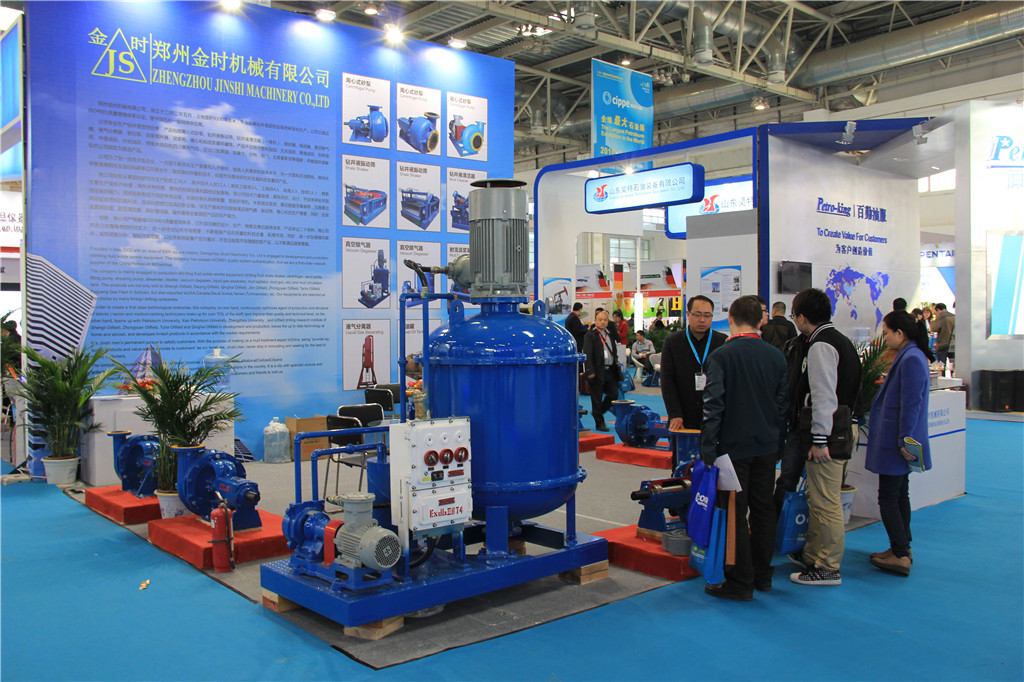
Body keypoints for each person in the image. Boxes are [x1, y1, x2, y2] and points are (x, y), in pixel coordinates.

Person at [700, 295, 789, 600]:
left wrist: (707, 450)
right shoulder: (776, 356)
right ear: (760, 320)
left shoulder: (721, 356)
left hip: (732, 449)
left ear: (730, 318)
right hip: (766, 445)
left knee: (735, 512)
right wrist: (778, 443)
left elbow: (713, 407)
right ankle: (763, 575)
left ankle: (740, 581)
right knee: (763, 509)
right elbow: (782, 406)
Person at [782, 288, 862, 587]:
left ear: (802, 317)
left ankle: (828, 566)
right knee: (818, 498)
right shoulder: (840, 341)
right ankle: (814, 554)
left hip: (829, 434)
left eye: (794, 315)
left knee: (826, 501)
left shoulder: (821, 346)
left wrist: (819, 440)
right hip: (839, 429)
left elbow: (823, 397)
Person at [865, 310, 935, 577]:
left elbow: (911, 403)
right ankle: (901, 547)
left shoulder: (911, 359)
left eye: (885, 333)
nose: (883, 339)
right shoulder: (910, 355)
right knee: (899, 494)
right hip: (897, 439)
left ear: (899, 333)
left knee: (889, 498)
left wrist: (905, 438)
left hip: (897, 441)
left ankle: (901, 552)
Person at [660, 295, 726, 431]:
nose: (702, 320)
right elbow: (667, 381)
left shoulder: (722, 342)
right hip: (682, 417)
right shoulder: (673, 342)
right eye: (697, 314)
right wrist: (675, 414)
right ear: (688, 314)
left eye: (707, 315)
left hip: (715, 417)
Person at [582, 310, 622, 432]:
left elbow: (617, 344)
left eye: (605, 320)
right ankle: (599, 423)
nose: (603, 322)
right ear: (595, 321)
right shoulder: (590, 335)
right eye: (600, 320)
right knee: (597, 398)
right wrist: (589, 370)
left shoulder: (610, 334)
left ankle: (598, 412)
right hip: (597, 370)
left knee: (614, 394)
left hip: (610, 370)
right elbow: (588, 353)